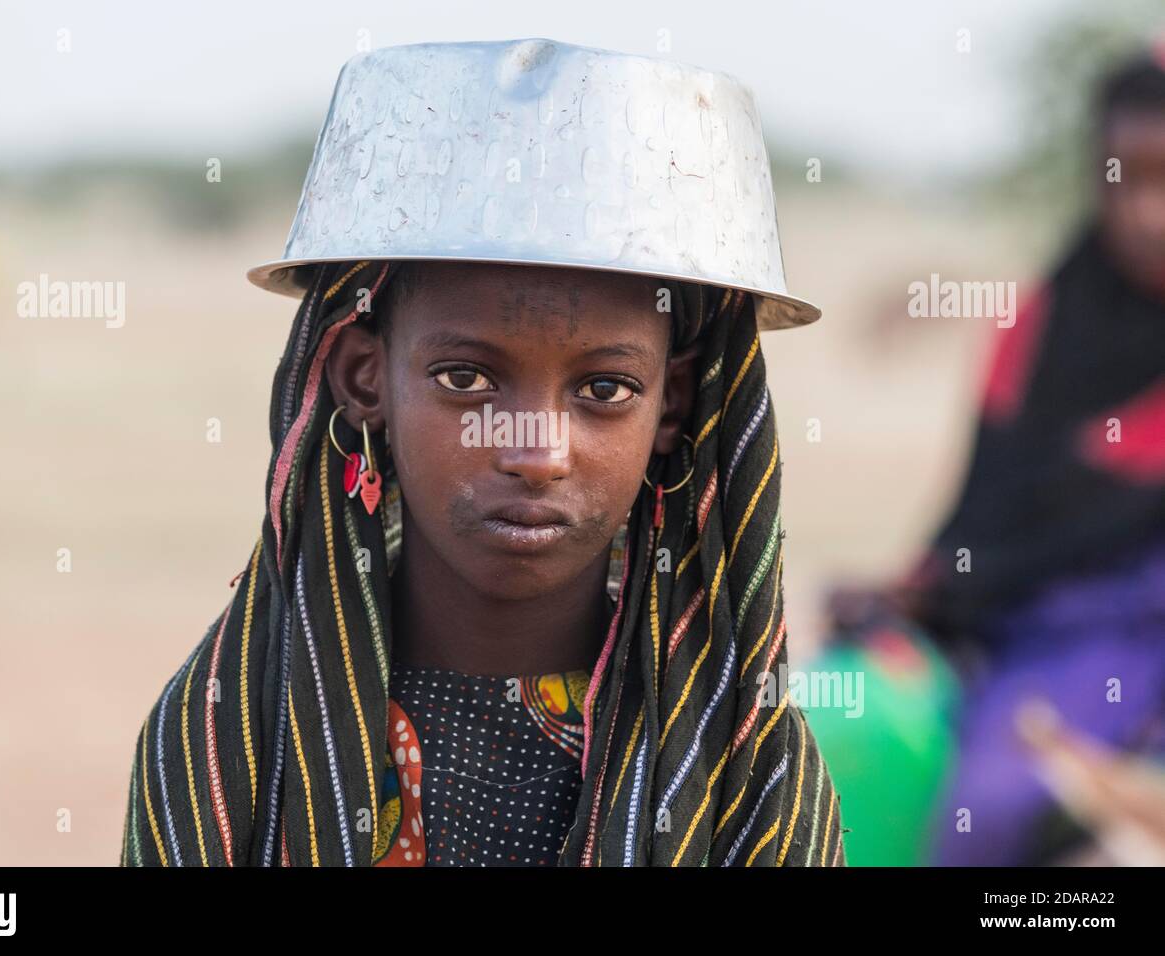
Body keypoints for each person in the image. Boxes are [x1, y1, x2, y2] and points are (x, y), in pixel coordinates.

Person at [119, 39, 846, 867]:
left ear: (672, 406)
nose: (535, 452)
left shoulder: (744, 765)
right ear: (366, 380)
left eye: (603, 390)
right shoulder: (231, 731)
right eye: (465, 378)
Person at [822, 44, 1165, 867]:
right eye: (1131, 176)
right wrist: (917, 591)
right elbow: (983, 520)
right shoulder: (1039, 327)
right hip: (1055, 634)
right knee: (989, 802)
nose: (1151, 212)